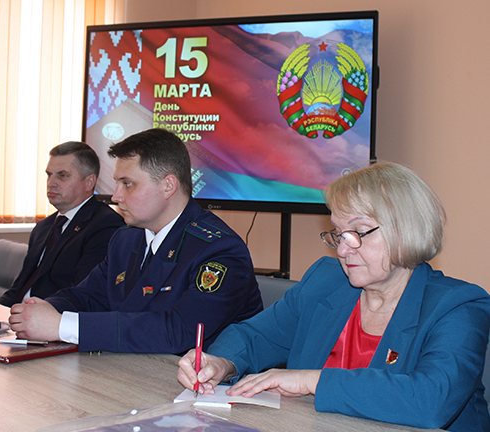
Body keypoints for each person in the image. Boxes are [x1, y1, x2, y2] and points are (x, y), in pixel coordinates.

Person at [177, 162, 490, 431]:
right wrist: (221, 362)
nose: (342, 249)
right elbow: (253, 336)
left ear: (405, 231)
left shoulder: (458, 306)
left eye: (358, 232)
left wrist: (312, 381)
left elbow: (430, 401)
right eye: (339, 234)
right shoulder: (325, 281)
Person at [8, 128, 262, 354]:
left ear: (168, 186)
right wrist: (41, 309)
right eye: (117, 183)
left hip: (203, 385)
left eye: (127, 184)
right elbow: (89, 296)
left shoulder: (219, 250)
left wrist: (63, 326)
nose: (115, 196)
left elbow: (178, 331)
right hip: (133, 372)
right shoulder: (126, 238)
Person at [0, 141, 124, 306]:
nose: (51, 183)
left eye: (62, 175)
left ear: (89, 182)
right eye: (49, 175)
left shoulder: (105, 225)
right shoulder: (44, 226)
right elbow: (20, 286)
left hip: (51, 316)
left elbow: (82, 293)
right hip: (18, 314)